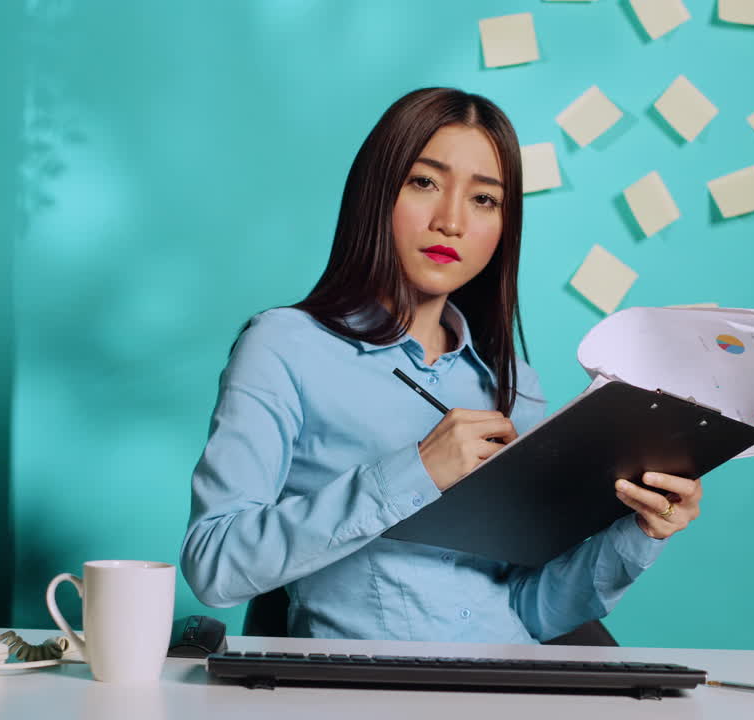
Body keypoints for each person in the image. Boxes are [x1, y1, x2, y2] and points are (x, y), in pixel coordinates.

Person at [180, 87, 704, 643]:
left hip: (517, 687)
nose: (451, 221)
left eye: (484, 200)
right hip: (370, 693)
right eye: (424, 182)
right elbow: (213, 565)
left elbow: (534, 610)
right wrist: (416, 470)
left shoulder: (515, 387)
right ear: (376, 193)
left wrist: (640, 531)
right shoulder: (284, 346)